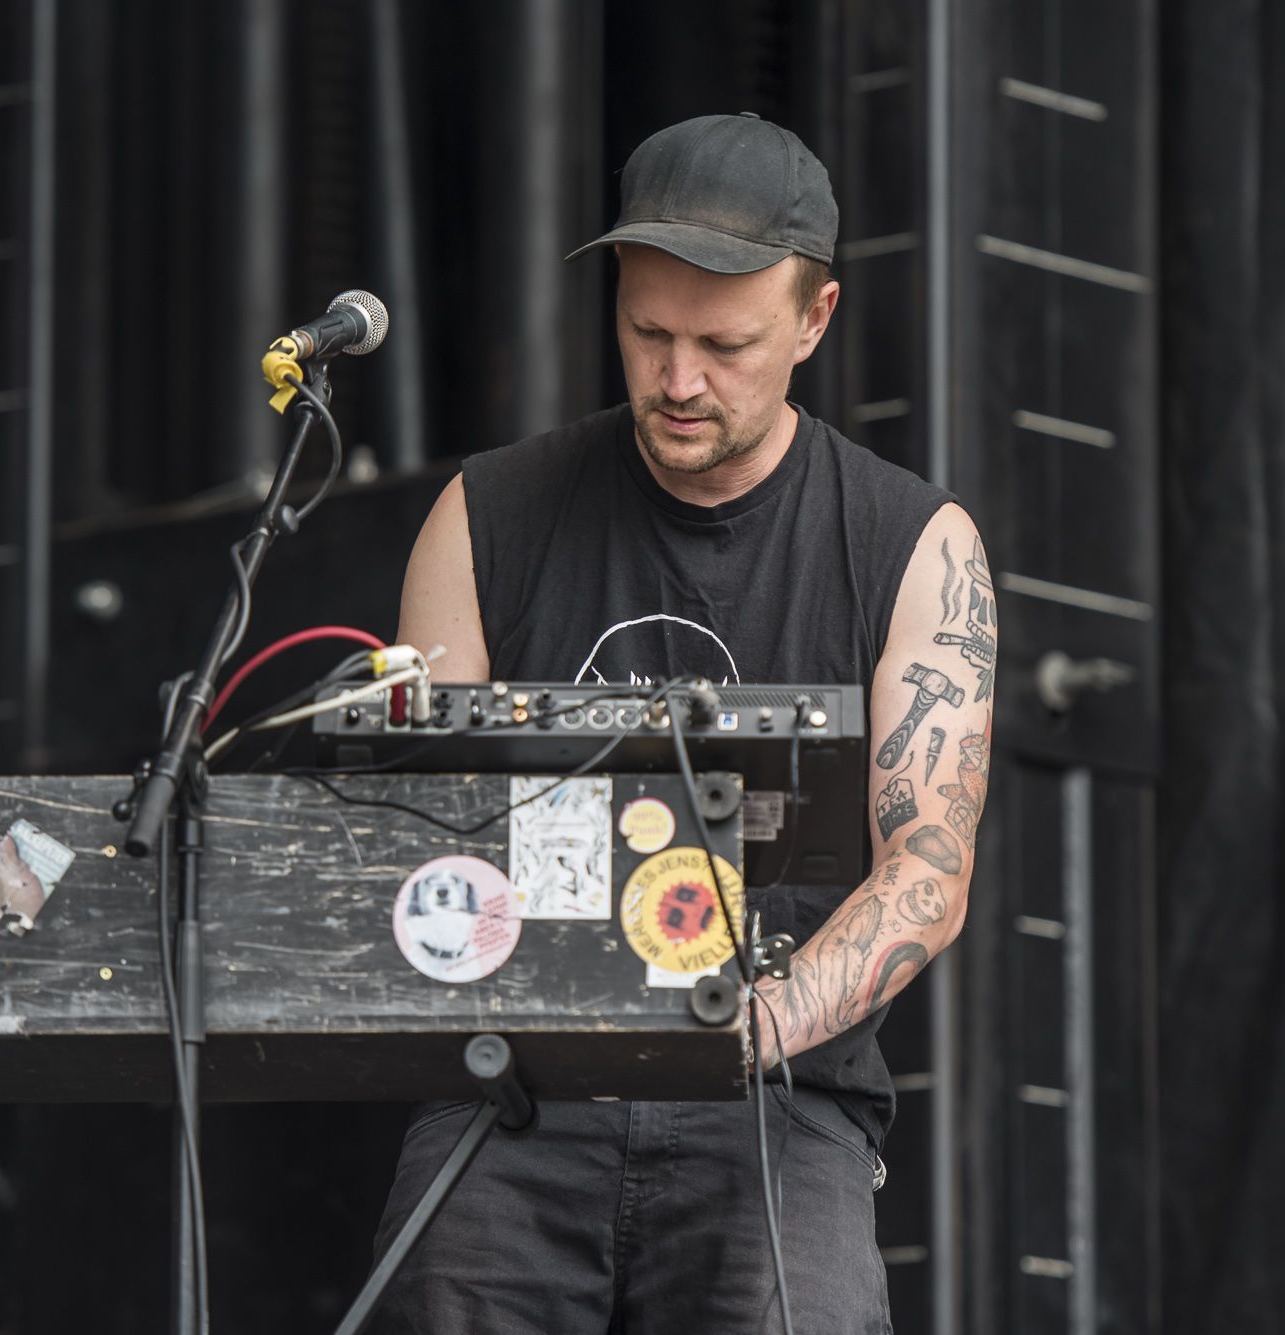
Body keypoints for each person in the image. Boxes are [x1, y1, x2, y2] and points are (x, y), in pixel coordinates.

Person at [375, 113, 995, 1332]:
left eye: (725, 345)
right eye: (647, 332)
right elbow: (410, 839)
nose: (677, 382)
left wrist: (741, 1032)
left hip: (780, 1093)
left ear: (812, 321)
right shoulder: (482, 517)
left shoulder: (915, 545)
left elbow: (926, 874)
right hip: (514, 1090)